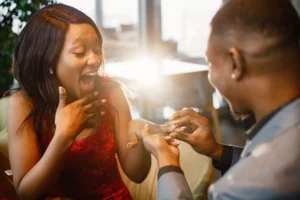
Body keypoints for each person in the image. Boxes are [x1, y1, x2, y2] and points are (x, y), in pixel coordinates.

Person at [6, 4, 176, 200]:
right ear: (48, 61)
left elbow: (137, 174)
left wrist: (140, 135)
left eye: (98, 50)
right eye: (80, 52)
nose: (95, 60)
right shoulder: (24, 103)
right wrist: (63, 137)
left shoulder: (111, 91)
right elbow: (26, 193)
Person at [141, 0, 300, 199]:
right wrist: (218, 151)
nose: (210, 76)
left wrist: (166, 160)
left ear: (234, 63)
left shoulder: (240, 188)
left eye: (210, 63)